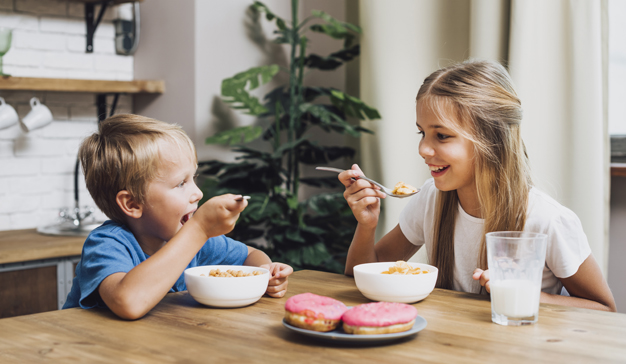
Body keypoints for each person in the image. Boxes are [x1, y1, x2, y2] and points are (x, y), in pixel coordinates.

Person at [340, 60, 616, 312]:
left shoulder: (547, 219)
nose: (423, 148)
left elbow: (604, 309)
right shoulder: (430, 199)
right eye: (422, 133)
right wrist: (367, 225)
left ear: (491, 139)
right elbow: (360, 275)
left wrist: (524, 293)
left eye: (442, 135)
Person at [63, 114, 293, 319]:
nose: (198, 193)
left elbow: (250, 256)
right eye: (181, 183)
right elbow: (128, 303)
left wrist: (267, 273)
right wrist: (200, 229)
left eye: (194, 178)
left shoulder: (190, 239)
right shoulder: (106, 245)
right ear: (133, 203)